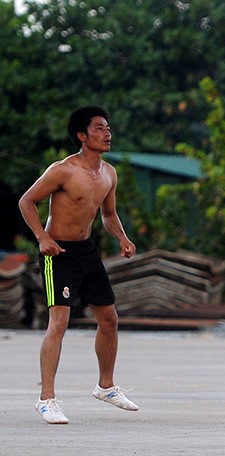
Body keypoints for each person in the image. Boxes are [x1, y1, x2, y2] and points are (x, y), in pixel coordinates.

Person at [18, 106, 139, 425]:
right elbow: (26, 201)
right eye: (99, 128)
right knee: (59, 322)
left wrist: (123, 239)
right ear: (82, 136)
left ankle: (106, 387)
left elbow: (108, 216)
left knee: (109, 318)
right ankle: (46, 399)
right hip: (58, 253)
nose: (107, 132)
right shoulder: (63, 170)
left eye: (108, 127)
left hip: (87, 251)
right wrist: (42, 237)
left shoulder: (109, 173)